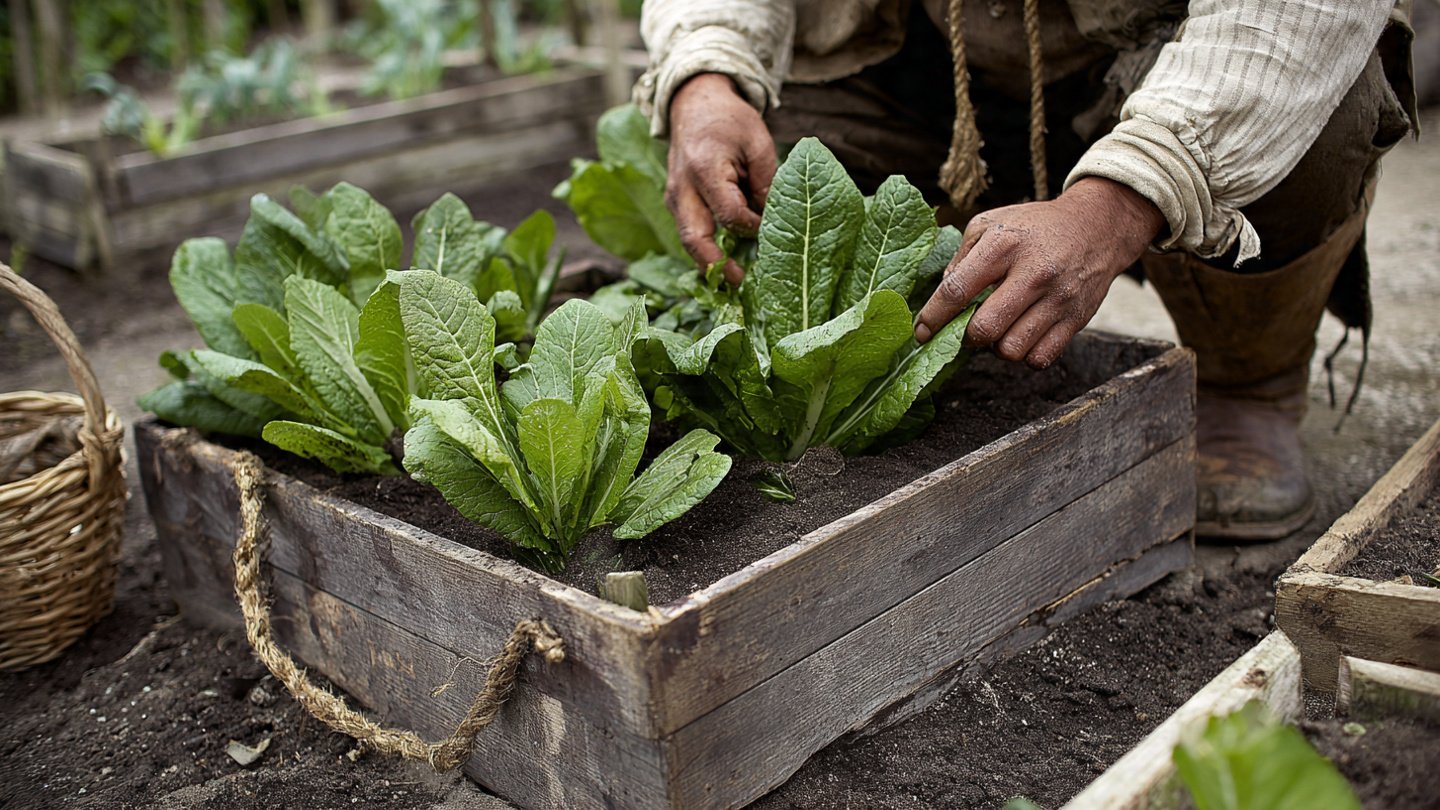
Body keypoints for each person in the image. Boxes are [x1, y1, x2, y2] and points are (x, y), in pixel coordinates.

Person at [634, 0, 1417, 540]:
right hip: (930, 64)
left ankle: (1250, 382)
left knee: (1323, 114)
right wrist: (707, 70)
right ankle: (917, 352)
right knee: (770, 128)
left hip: (1152, 60)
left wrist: (1127, 194)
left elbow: (1298, 20)